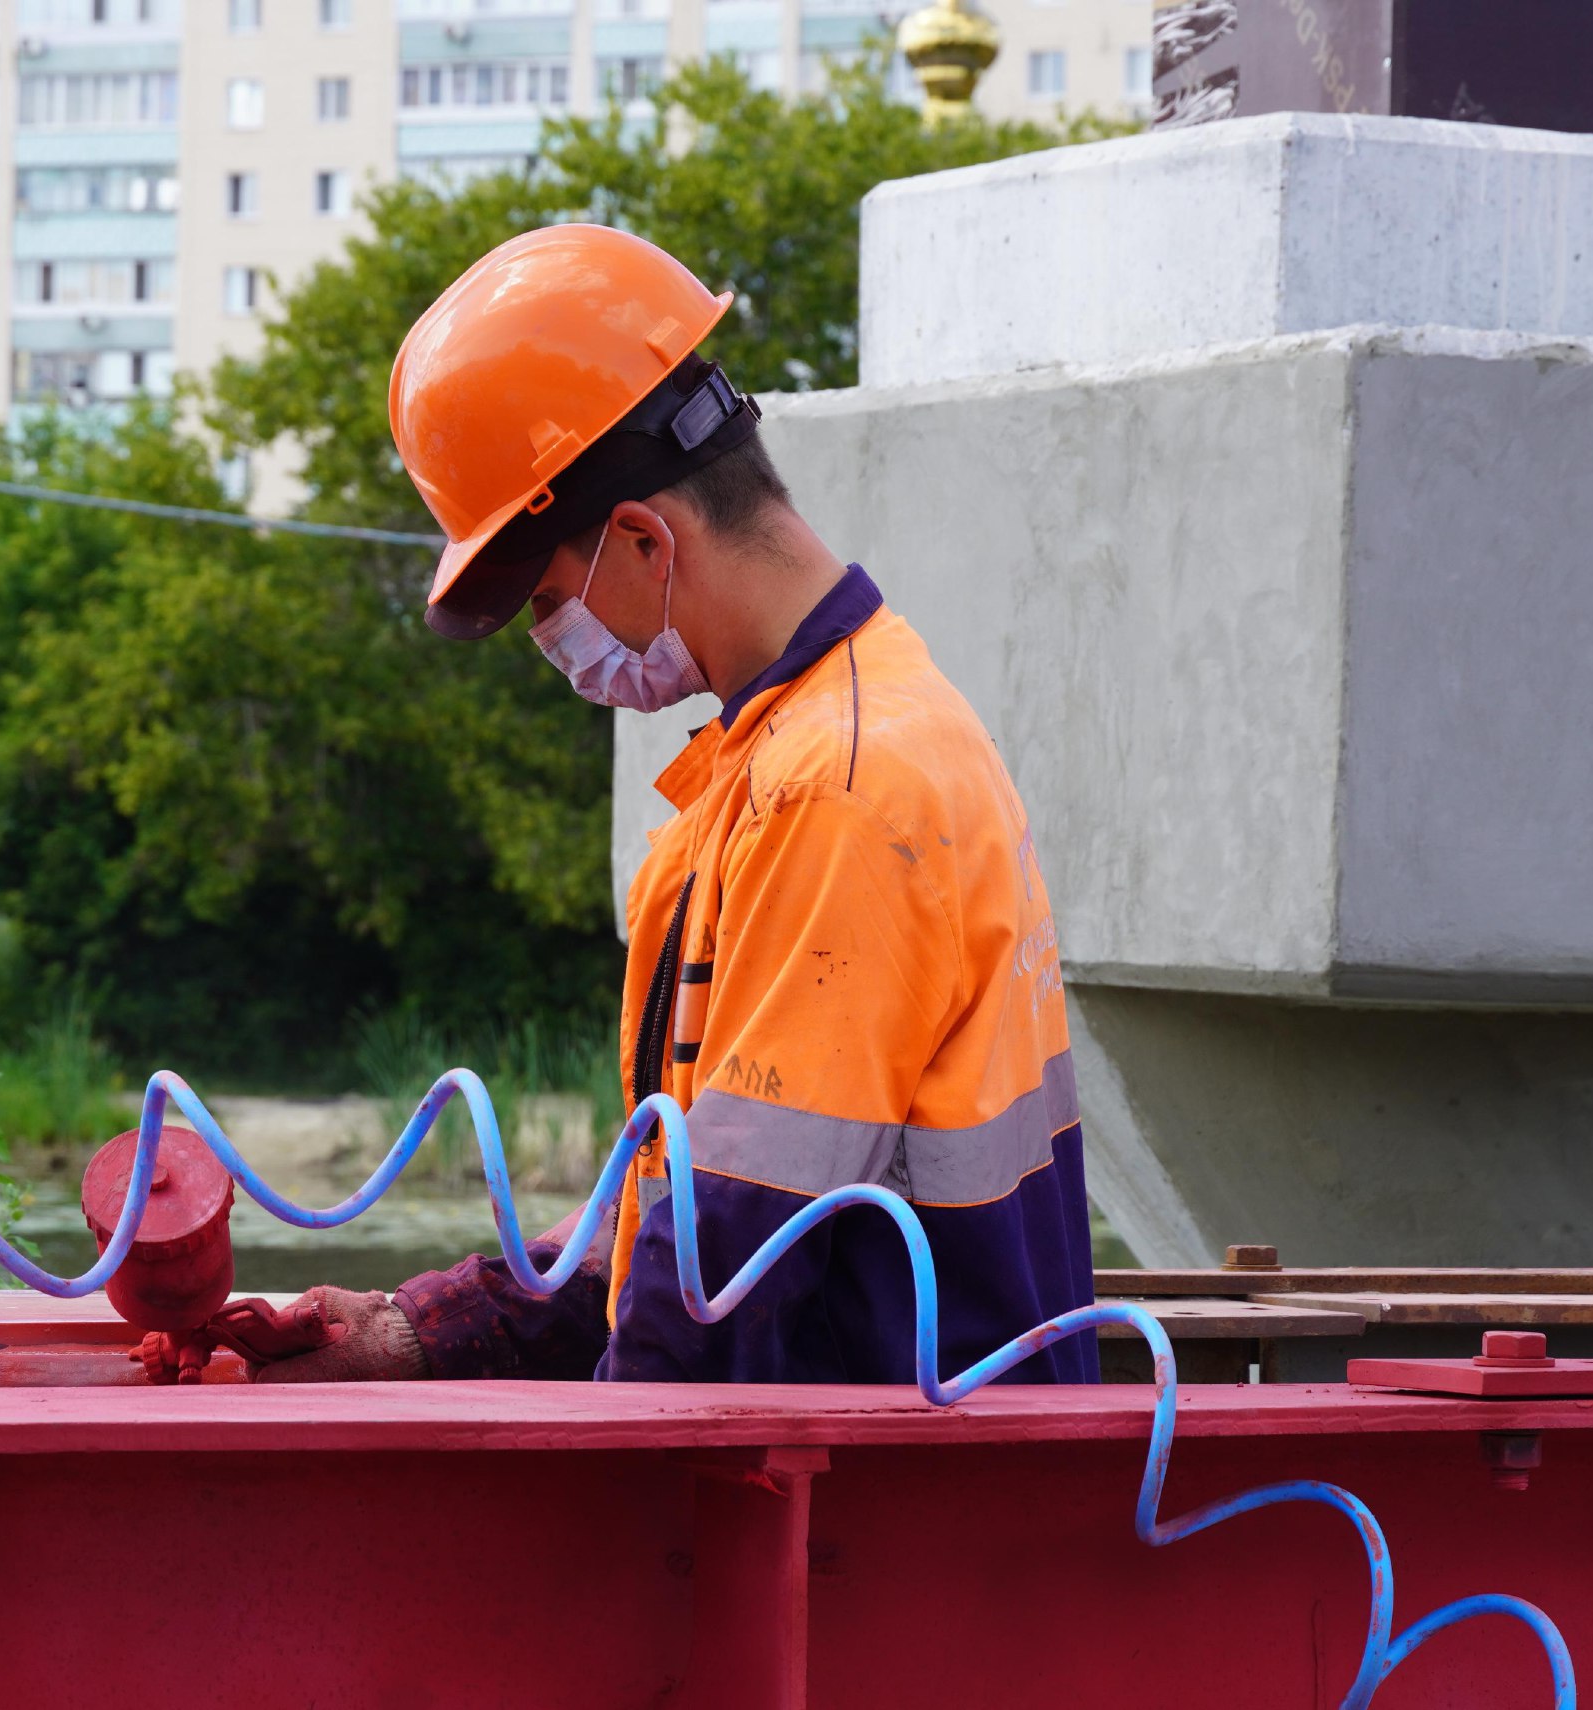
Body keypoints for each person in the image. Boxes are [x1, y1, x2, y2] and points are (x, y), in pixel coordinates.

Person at [239, 223, 1096, 1388]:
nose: (558, 645)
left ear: (642, 538)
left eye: (549, 600)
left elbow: (718, 1278)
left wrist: (608, 1497)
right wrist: (416, 1328)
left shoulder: (838, 787)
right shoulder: (785, 753)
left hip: (886, 1511)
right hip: (880, 1477)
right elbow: (670, 1201)